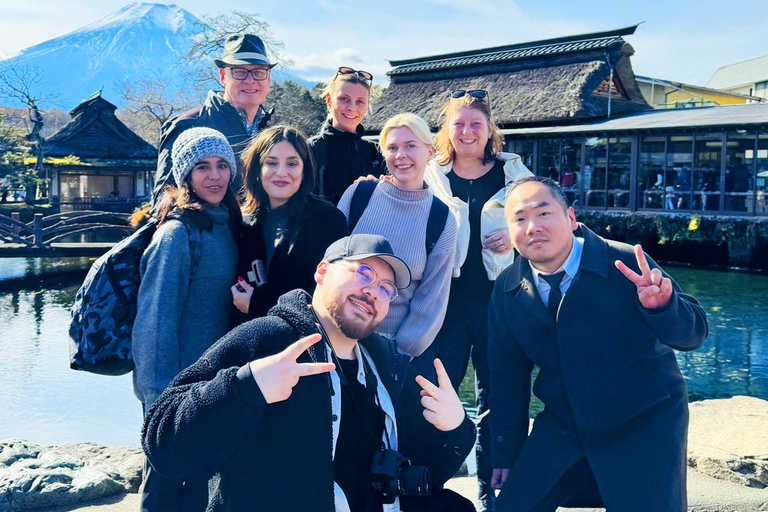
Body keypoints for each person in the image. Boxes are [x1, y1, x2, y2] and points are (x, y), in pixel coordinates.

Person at [142, 234, 476, 512]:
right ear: (322, 272)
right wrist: (245, 389)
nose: (374, 291)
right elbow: (164, 448)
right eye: (363, 274)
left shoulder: (383, 363)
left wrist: (454, 430)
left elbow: (416, 477)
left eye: (387, 288)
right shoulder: (268, 338)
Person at [489, 176, 709, 512]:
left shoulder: (625, 263)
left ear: (572, 218)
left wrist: (662, 307)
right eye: (519, 219)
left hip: (642, 419)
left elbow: (692, 336)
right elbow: (506, 377)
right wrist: (505, 452)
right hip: (565, 422)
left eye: (544, 213)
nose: (532, 227)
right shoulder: (508, 288)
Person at [424, 88, 531, 512]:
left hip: (500, 303)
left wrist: (516, 235)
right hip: (444, 306)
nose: (467, 131)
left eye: (476, 124)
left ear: (490, 130)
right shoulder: (431, 176)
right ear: (447, 130)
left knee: (499, 396)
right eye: (459, 124)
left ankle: (493, 490)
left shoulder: (515, 178)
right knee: (437, 393)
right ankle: (431, 485)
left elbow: (546, 226)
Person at [133, 127, 242, 512]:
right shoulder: (177, 234)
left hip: (213, 387)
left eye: (221, 165)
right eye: (201, 167)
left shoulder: (230, 222)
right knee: (163, 496)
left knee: (202, 495)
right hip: (175, 391)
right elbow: (153, 324)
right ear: (184, 176)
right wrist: (158, 401)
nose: (214, 176)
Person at [337, 113, 457, 359]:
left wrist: (397, 354)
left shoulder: (441, 219)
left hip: (394, 353)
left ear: (430, 152)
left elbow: (431, 299)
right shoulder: (358, 195)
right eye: (392, 148)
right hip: (338, 340)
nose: (400, 155)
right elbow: (330, 266)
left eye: (410, 146)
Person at [230, 125, 348, 323]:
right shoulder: (244, 222)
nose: (281, 173)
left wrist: (258, 303)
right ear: (257, 169)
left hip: (300, 344)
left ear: (305, 170)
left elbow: (329, 297)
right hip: (248, 342)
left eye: (292, 163)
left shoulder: (327, 220)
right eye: (272, 163)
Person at [152, 34, 276, 204]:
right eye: (239, 72)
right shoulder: (188, 127)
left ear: (268, 78)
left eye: (258, 72)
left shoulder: (269, 134)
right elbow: (163, 200)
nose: (250, 80)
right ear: (223, 76)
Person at [309, 67, 385, 205]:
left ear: (367, 105)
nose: (352, 108)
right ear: (329, 100)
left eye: (360, 101)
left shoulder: (376, 152)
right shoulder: (310, 150)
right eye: (344, 99)